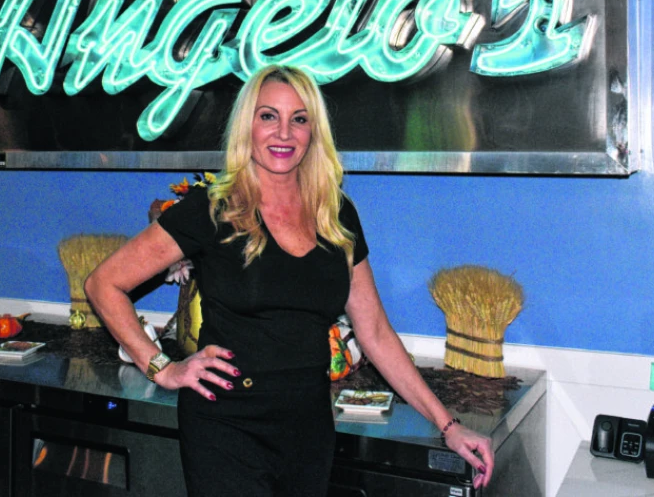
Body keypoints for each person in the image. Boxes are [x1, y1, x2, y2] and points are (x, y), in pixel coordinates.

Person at [85, 64, 494, 496]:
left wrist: (448, 425)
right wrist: (162, 368)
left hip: (308, 428)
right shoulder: (213, 208)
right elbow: (103, 283)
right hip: (225, 427)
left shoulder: (335, 214)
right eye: (268, 116)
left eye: (299, 119)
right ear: (247, 126)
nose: (283, 133)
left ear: (313, 132)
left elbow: (374, 331)